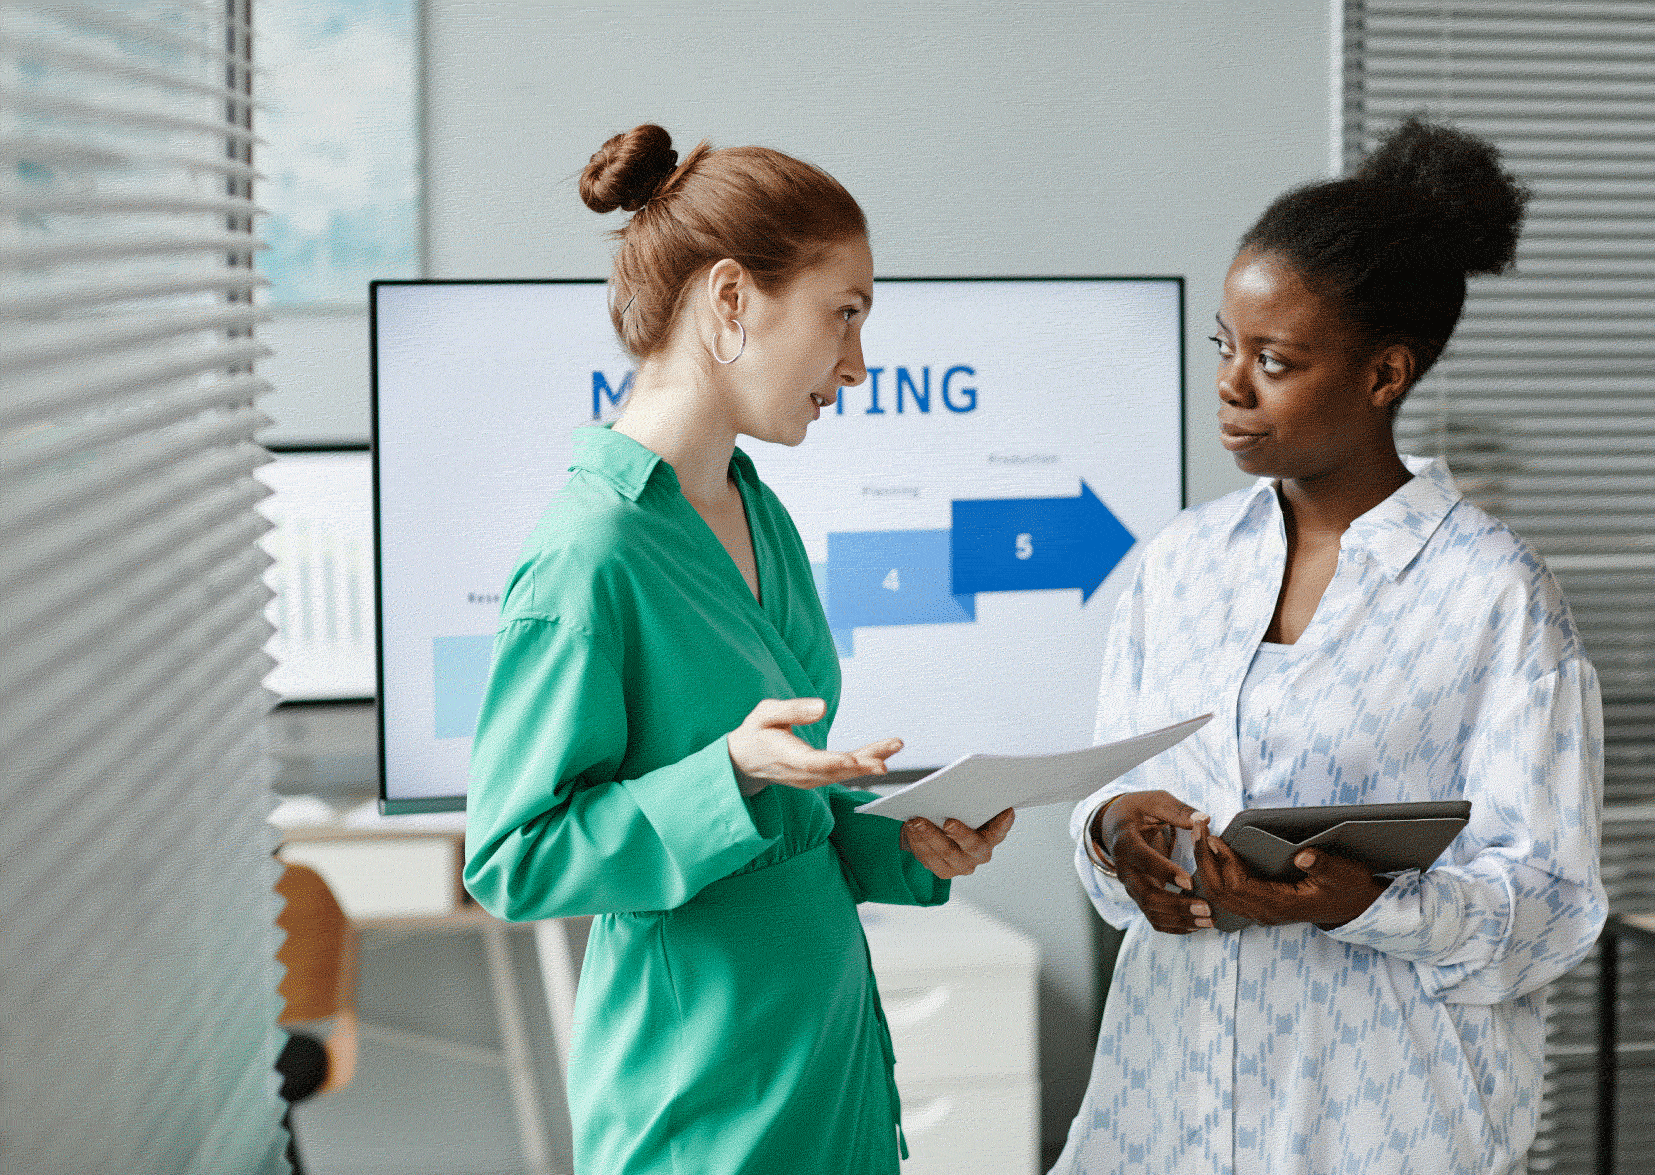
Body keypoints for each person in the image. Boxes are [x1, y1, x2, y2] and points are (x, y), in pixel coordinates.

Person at [1054, 118, 1605, 1175]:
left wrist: (1370, 901)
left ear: (1382, 373)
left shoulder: (1490, 592)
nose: (1229, 383)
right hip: (1162, 1098)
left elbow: (1549, 904)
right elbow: (1116, 791)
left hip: (1378, 1113)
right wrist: (1114, 831)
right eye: (1226, 345)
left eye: (1274, 360)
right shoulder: (1177, 566)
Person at [462, 124, 1015, 1175]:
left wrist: (904, 841)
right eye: (841, 315)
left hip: (827, 1065)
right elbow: (512, 858)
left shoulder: (755, 513)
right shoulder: (589, 554)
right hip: (699, 1099)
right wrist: (725, 772)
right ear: (729, 301)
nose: (855, 364)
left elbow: (782, 817)